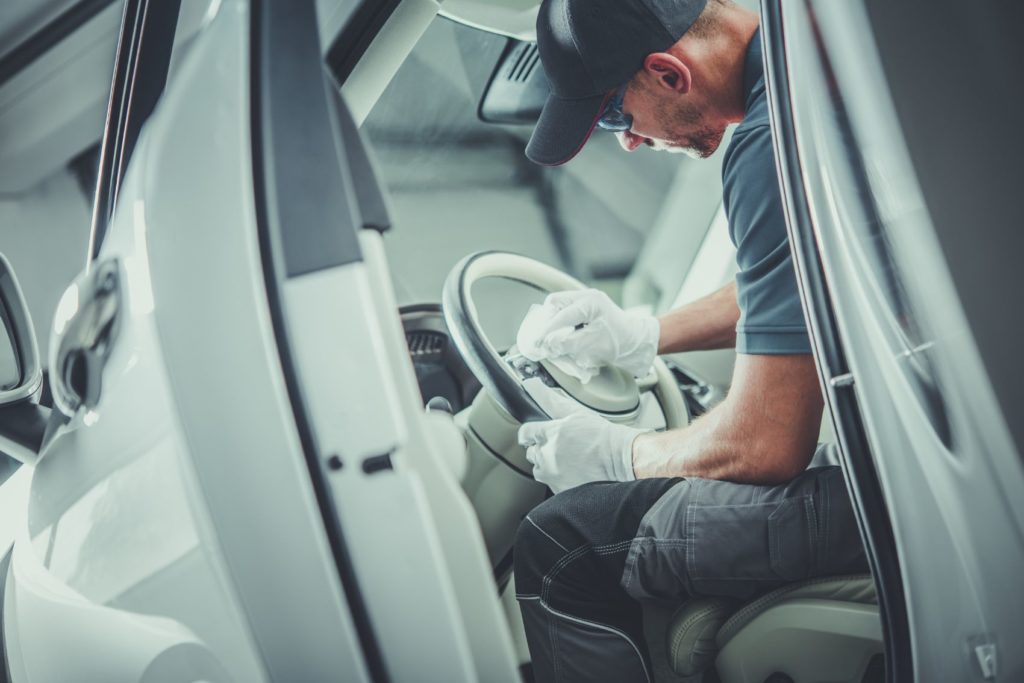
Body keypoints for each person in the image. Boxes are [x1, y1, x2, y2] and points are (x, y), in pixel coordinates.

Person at [512, 0, 869, 680]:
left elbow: (763, 442)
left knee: (562, 540)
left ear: (669, 74)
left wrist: (623, 454)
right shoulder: (815, 57)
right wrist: (644, 334)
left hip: (891, 490)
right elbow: (805, 273)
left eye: (616, 113)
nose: (628, 142)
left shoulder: (772, 143)